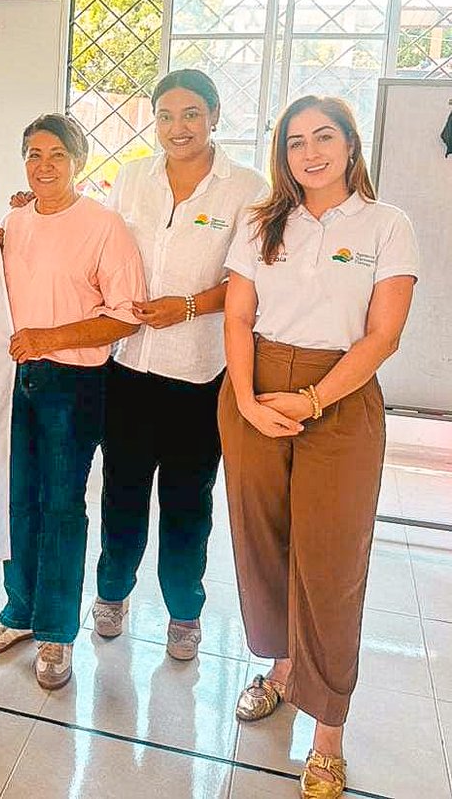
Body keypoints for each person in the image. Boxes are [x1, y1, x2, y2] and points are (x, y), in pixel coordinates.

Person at [219, 95, 417, 798]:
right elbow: (239, 313)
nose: (310, 151)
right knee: (262, 539)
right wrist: (244, 398)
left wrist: (312, 399)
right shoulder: (259, 220)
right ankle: (279, 668)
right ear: (284, 154)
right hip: (254, 385)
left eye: (324, 136)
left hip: (338, 394)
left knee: (330, 558)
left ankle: (327, 727)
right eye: (296, 140)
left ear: (351, 144)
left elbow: (382, 335)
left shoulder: (387, 225)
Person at [90, 70, 269, 660]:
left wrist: (188, 306)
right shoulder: (135, 178)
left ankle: (184, 610)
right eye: (166, 116)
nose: (177, 128)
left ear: (215, 115)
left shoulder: (246, 187)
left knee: (189, 501)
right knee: (122, 494)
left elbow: (248, 283)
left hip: (200, 374)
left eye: (191, 114)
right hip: (130, 367)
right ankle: (111, 594)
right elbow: (102, 250)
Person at [0, 114, 146, 691]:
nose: (44, 166)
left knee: (62, 507)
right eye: (33, 154)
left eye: (56, 155)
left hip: (72, 385)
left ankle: (56, 631)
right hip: (13, 380)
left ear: (79, 161)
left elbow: (124, 314)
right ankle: (19, 610)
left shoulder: (103, 226)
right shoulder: (15, 222)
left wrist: (47, 339)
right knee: (16, 500)